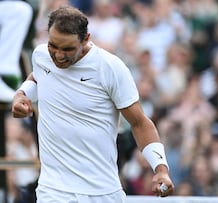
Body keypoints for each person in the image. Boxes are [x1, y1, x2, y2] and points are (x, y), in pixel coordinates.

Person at [12, 6, 174, 203]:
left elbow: (139, 123)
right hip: (53, 191)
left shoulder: (110, 68)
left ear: (86, 38)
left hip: (103, 192)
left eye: (68, 49)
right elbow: (37, 77)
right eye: (53, 45)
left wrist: (161, 169)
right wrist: (22, 94)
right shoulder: (41, 56)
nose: (59, 55)